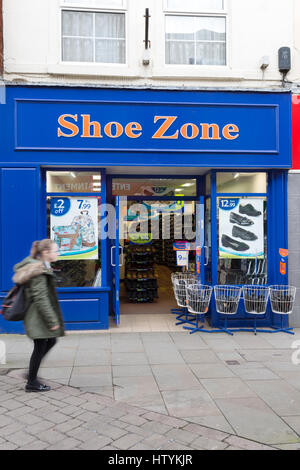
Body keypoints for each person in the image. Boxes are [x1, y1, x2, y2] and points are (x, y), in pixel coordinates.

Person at [13, 239, 65, 392]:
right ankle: (32, 382)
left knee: (50, 341)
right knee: (41, 345)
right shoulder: (38, 271)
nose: (58, 253)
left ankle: (31, 375)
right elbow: (41, 298)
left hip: (37, 315)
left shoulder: (41, 266)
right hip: (37, 316)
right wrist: (52, 320)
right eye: (55, 251)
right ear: (45, 253)